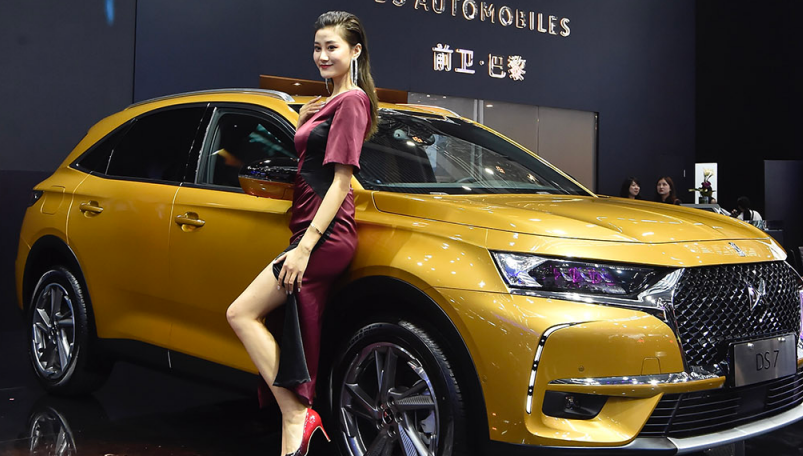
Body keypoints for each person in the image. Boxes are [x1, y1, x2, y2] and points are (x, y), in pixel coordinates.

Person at [226, 11, 378, 456]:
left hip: (323, 236)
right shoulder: (328, 102)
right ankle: (293, 431)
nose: (322, 55)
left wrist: (306, 247)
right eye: (317, 47)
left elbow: (341, 181)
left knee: (241, 313)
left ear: (355, 51)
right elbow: (308, 166)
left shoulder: (352, 102)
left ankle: (297, 415)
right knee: (273, 322)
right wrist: (305, 120)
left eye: (332, 47)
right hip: (308, 229)